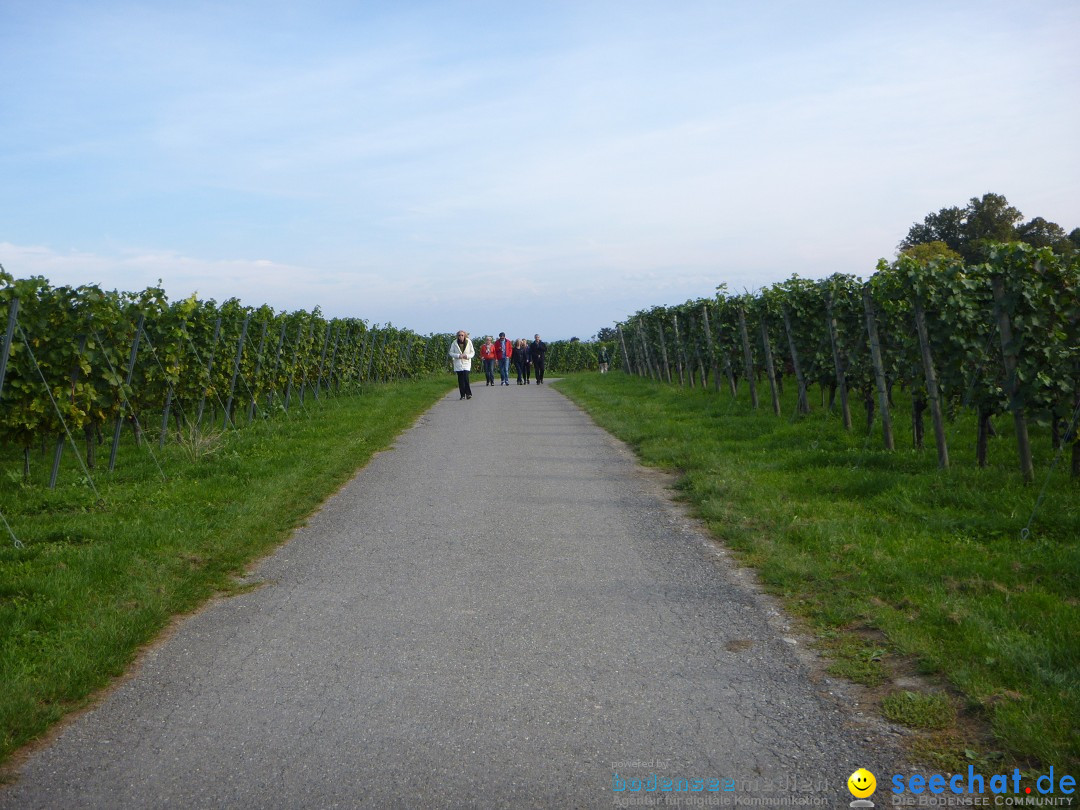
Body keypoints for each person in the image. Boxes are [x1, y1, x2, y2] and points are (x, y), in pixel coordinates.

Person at [448, 330, 474, 400]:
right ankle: (462, 395)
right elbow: (450, 352)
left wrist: (467, 356)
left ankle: (468, 394)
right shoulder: (454, 343)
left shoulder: (469, 342)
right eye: (459, 335)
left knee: (466, 378)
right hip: (458, 363)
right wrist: (458, 355)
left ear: (464, 336)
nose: (460, 337)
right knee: (460, 380)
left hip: (466, 363)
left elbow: (472, 352)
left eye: (462, 335)